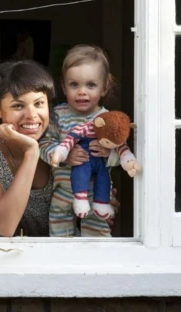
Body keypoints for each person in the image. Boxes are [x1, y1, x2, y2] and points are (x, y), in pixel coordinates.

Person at [39, 45, 121, 237]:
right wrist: (63, 157)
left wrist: (109, 154)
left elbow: (122, 156)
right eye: (74, 84)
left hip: (97, 195)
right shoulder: (57, 116)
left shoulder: (108, 120)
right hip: (63, 192)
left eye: (91, 85)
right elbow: (43, 145)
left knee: (97, 240)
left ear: (104, 87)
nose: (82, 92)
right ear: (63, 86)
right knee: (60, 238)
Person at [0, 60, 56, 237]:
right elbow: (3, 227)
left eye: (39, 104)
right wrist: (31, 153)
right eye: (18, 106)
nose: (31, 115)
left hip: (56, 256)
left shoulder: (59, 142)